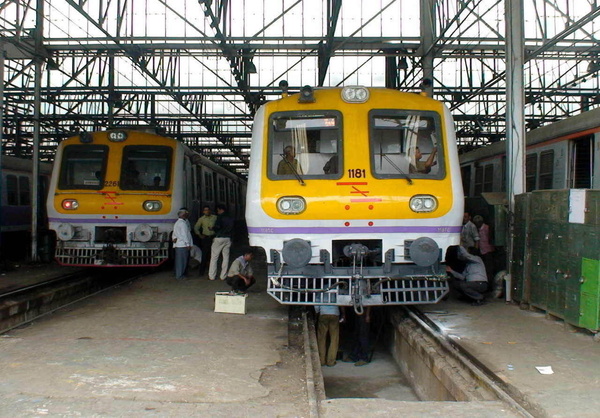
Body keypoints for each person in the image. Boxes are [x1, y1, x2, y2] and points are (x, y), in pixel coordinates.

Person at [208, 204, 234, 281]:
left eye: (218, 210)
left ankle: (212, 276)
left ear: (220, 209)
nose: (217, 212)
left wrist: (212, 228)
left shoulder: (220, 217)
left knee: (214, 258)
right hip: (228, 238)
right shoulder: (230, 217)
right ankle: (223, 276)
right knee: (226, 258)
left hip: (219, 238)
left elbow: (218, 227)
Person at [473, 215, 496, 288]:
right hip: (481, 251)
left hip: (488, 250)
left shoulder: (487, 228)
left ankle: (489, 285)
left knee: (489, 268)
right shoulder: (477, 229)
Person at [193, 205, 217, 276]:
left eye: (208, 210)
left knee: (213, 255)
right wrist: (199, 235)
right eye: (205, 210)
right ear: (203, 211)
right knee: (205, 255)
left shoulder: (215, 217)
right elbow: (196, 228)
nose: (207, 211)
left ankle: (212, 271)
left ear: (210, 210)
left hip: (214, 238)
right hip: (206, 238)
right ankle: (201, 272)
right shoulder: (201, 219)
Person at [172, 208, 193, 280]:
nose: (188, 215)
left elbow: (174, 234)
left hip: (179, 245)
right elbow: (184, 235)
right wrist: (188, 244)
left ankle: (179, 275)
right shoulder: (183, 224)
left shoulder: (177, 223)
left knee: (179, 261)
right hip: (183, 245)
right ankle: (180, 276)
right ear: (184, 215)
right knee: (182, 262)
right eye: (186, 213)